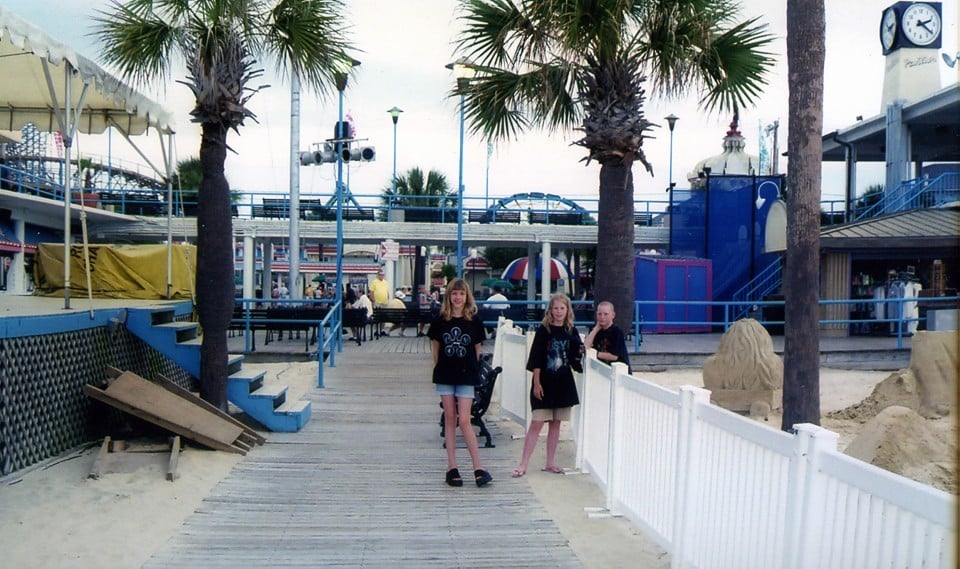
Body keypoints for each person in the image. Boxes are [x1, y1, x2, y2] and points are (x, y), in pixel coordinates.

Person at [427, 278, 492, 487]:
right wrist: (438, 367)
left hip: (466, 374)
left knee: (464, 420)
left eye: (461, 294)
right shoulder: (440, 319)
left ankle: (478, 468)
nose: (457, 298)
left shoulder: (474, 320)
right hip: (446, 374)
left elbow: (477, 348)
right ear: (449, 296)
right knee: (450, 417)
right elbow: (435, 346)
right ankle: (452, 467)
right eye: (454, 294)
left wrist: (473, 370)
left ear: (467, 297)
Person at [512, 293, 584, 478]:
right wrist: (536, 383)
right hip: (545, 381)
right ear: (550, 310)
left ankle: (550, 462)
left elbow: (576, 357)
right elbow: (536, 358)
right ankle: (523, 464)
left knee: (555, 423)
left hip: (562, 383)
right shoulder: (544, 330)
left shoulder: (571, 331)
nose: (559, 312)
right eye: (556, 308)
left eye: (562, 308)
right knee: (537, 423)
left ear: (567, 310)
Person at [583, 300, 632, 374]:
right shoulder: (596, 331)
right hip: (603, 371)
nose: (602, 317)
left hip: (619, 371)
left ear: (613, 315)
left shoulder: (617, 332)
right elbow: (586, 346)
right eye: (599, 314)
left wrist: (595, 354)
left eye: (606, 314)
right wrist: (595, 329)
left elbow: (615, 356)